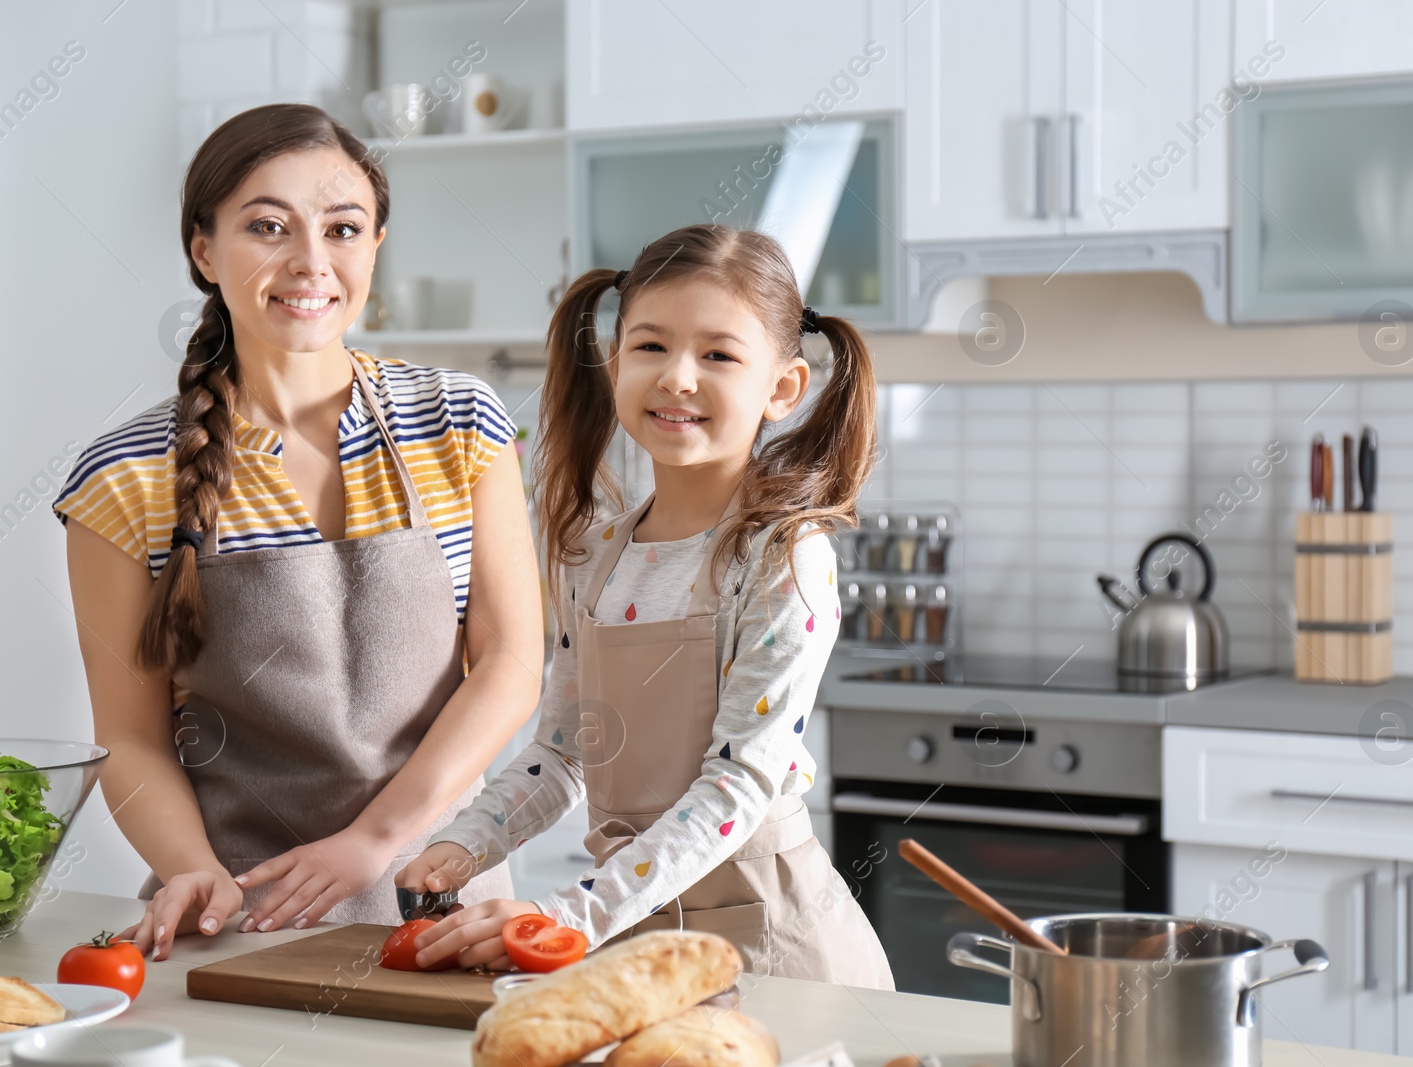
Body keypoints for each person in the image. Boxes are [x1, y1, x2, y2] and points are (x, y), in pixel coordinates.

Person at [54, 104, 538, 960]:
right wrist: (190, 868)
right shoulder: (123, 478)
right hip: (243, 915)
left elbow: (509, 665)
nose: (311, 262)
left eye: (343, 228)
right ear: (204, 251)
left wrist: (374, 841)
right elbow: (128, 735)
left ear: (376, 243)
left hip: (445, 902)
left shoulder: (458, 420)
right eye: (267, 226)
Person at [396, 224, 893, 987]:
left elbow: (739, 782)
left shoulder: (784, 558)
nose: (678, 378)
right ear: (615, 358)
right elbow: (563, 752)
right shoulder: (592, 556)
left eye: (719, 355)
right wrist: (466, 843)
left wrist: (566, 915)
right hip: (632, 932)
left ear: (783, 388)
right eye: (651, 347)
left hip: (772, 950)